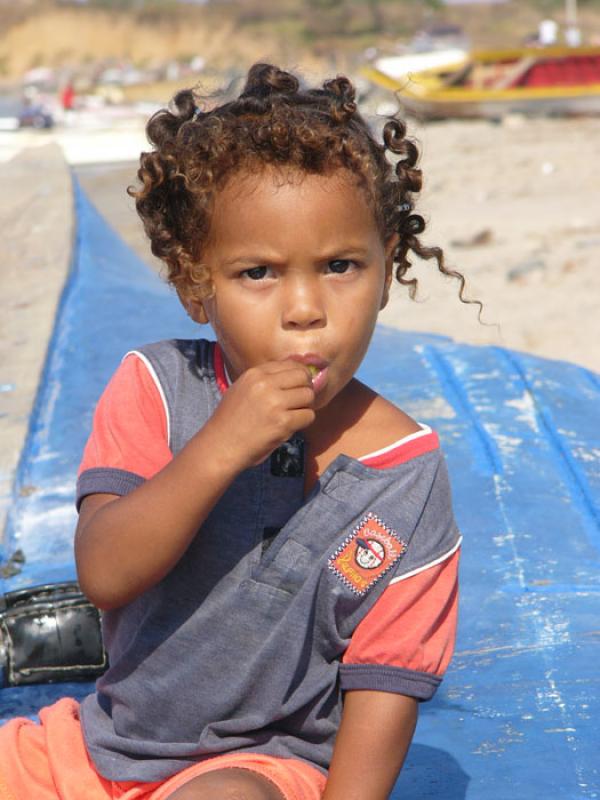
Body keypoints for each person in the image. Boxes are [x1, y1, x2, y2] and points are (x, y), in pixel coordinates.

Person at [0, 63, 472, 800]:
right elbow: (105, 572)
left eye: (341, 265)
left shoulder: (407, 480)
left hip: (258, 770)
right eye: (258, 273)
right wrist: (219, 448)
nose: (305, 308)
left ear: (388, 264)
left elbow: (387, 686)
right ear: (196, 286)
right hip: (94, 750)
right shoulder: (156, 389)